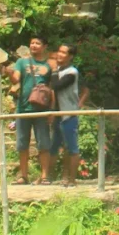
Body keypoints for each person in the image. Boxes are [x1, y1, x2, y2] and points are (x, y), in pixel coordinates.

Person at [5, 36, 53, 184]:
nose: (34, 45)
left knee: (44, 143)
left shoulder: (49, 66)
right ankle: (23, 176)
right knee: (22, 144)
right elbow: (16, 79)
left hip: (41, 111)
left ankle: (45, 176)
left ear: (44, 46)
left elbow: (52, 89)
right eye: (32, 42)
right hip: (23, 109)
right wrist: (9, 73)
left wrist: (52, 111)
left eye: (38, 43)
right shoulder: (21, 62)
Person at [47, 44, 82, 186]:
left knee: (71, 147)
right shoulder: (58, 71)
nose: (60, 55)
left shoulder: (72, 72)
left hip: (69, 115)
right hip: (57, 115)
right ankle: (47, 177)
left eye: (63, 52)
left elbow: (56, 86)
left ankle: (71, 179)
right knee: (53, 146)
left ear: (70, 56)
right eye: (59, 51)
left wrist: (54, 69)